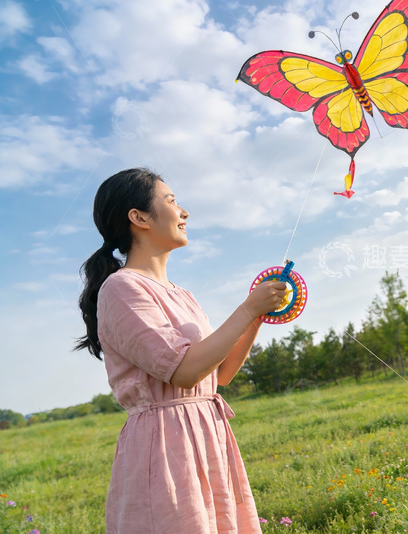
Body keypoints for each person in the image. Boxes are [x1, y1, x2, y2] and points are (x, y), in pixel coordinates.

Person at [75, 168, 286, 533]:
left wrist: (257, 315)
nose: (184, 212)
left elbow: (218, 374)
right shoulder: (121, 288)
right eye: (172, 201)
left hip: (205, 433)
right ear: (138, 218)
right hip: (166, 446)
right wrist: (248, 308)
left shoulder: (181, 293)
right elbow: (184, 371)